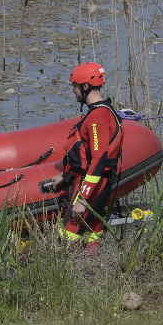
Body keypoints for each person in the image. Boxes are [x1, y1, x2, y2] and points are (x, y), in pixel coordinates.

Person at [40, 61, 125, 248]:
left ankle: (67, 265)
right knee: (93, 226)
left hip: (93, 183)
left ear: (85, 86)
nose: (74, 91)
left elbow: (98, 158)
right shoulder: (102, 112)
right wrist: (65, 176)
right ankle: (92, 263)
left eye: (75, 87)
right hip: (95, 181)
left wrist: (83, 199)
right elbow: (85, 155)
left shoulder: (97, 118)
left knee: (71, 229)